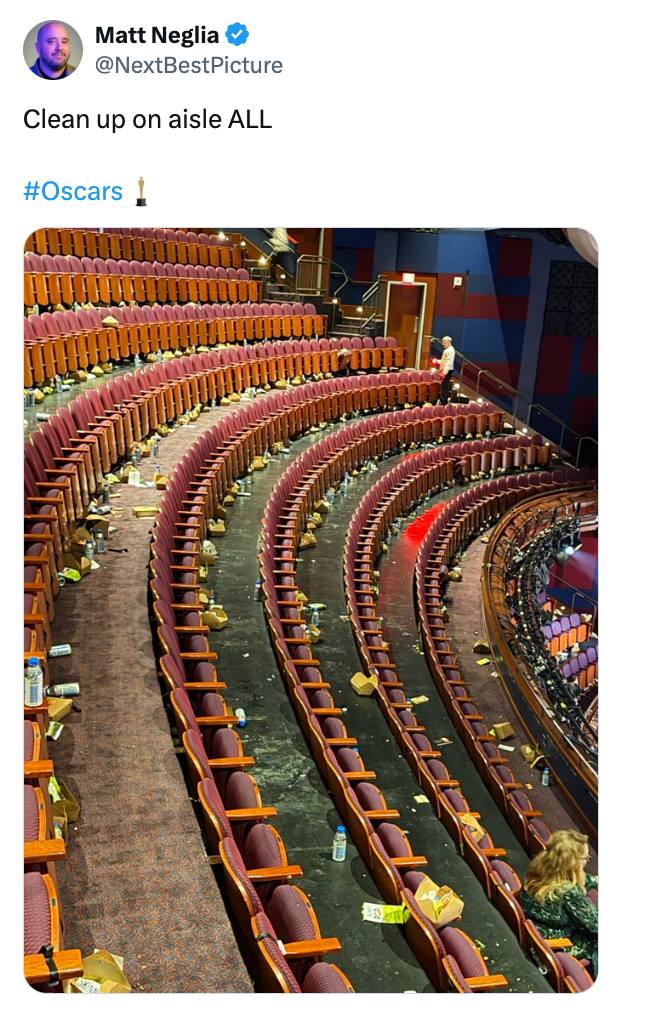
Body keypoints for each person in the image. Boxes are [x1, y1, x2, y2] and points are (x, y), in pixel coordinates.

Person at [518, 829, 598, 978]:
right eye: (585, 857)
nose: (587, 860)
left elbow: (576, 877)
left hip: (539, 934)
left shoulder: (540, 868)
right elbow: (596, 924)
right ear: (572, 861)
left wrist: (596, 880)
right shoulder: (568, 891)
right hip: (560, 944)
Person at [439, 336, 455, 404]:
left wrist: (444, 372)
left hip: (447, 370)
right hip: (444, 369)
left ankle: (444, 400)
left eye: (444, 342)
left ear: (448, 342)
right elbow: (444, 360)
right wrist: (438, 361)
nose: (443, 344)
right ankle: (442, 398)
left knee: (445, 385)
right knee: (443, 385)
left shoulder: (451, 350)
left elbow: (449, 362)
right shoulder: (446, 350)